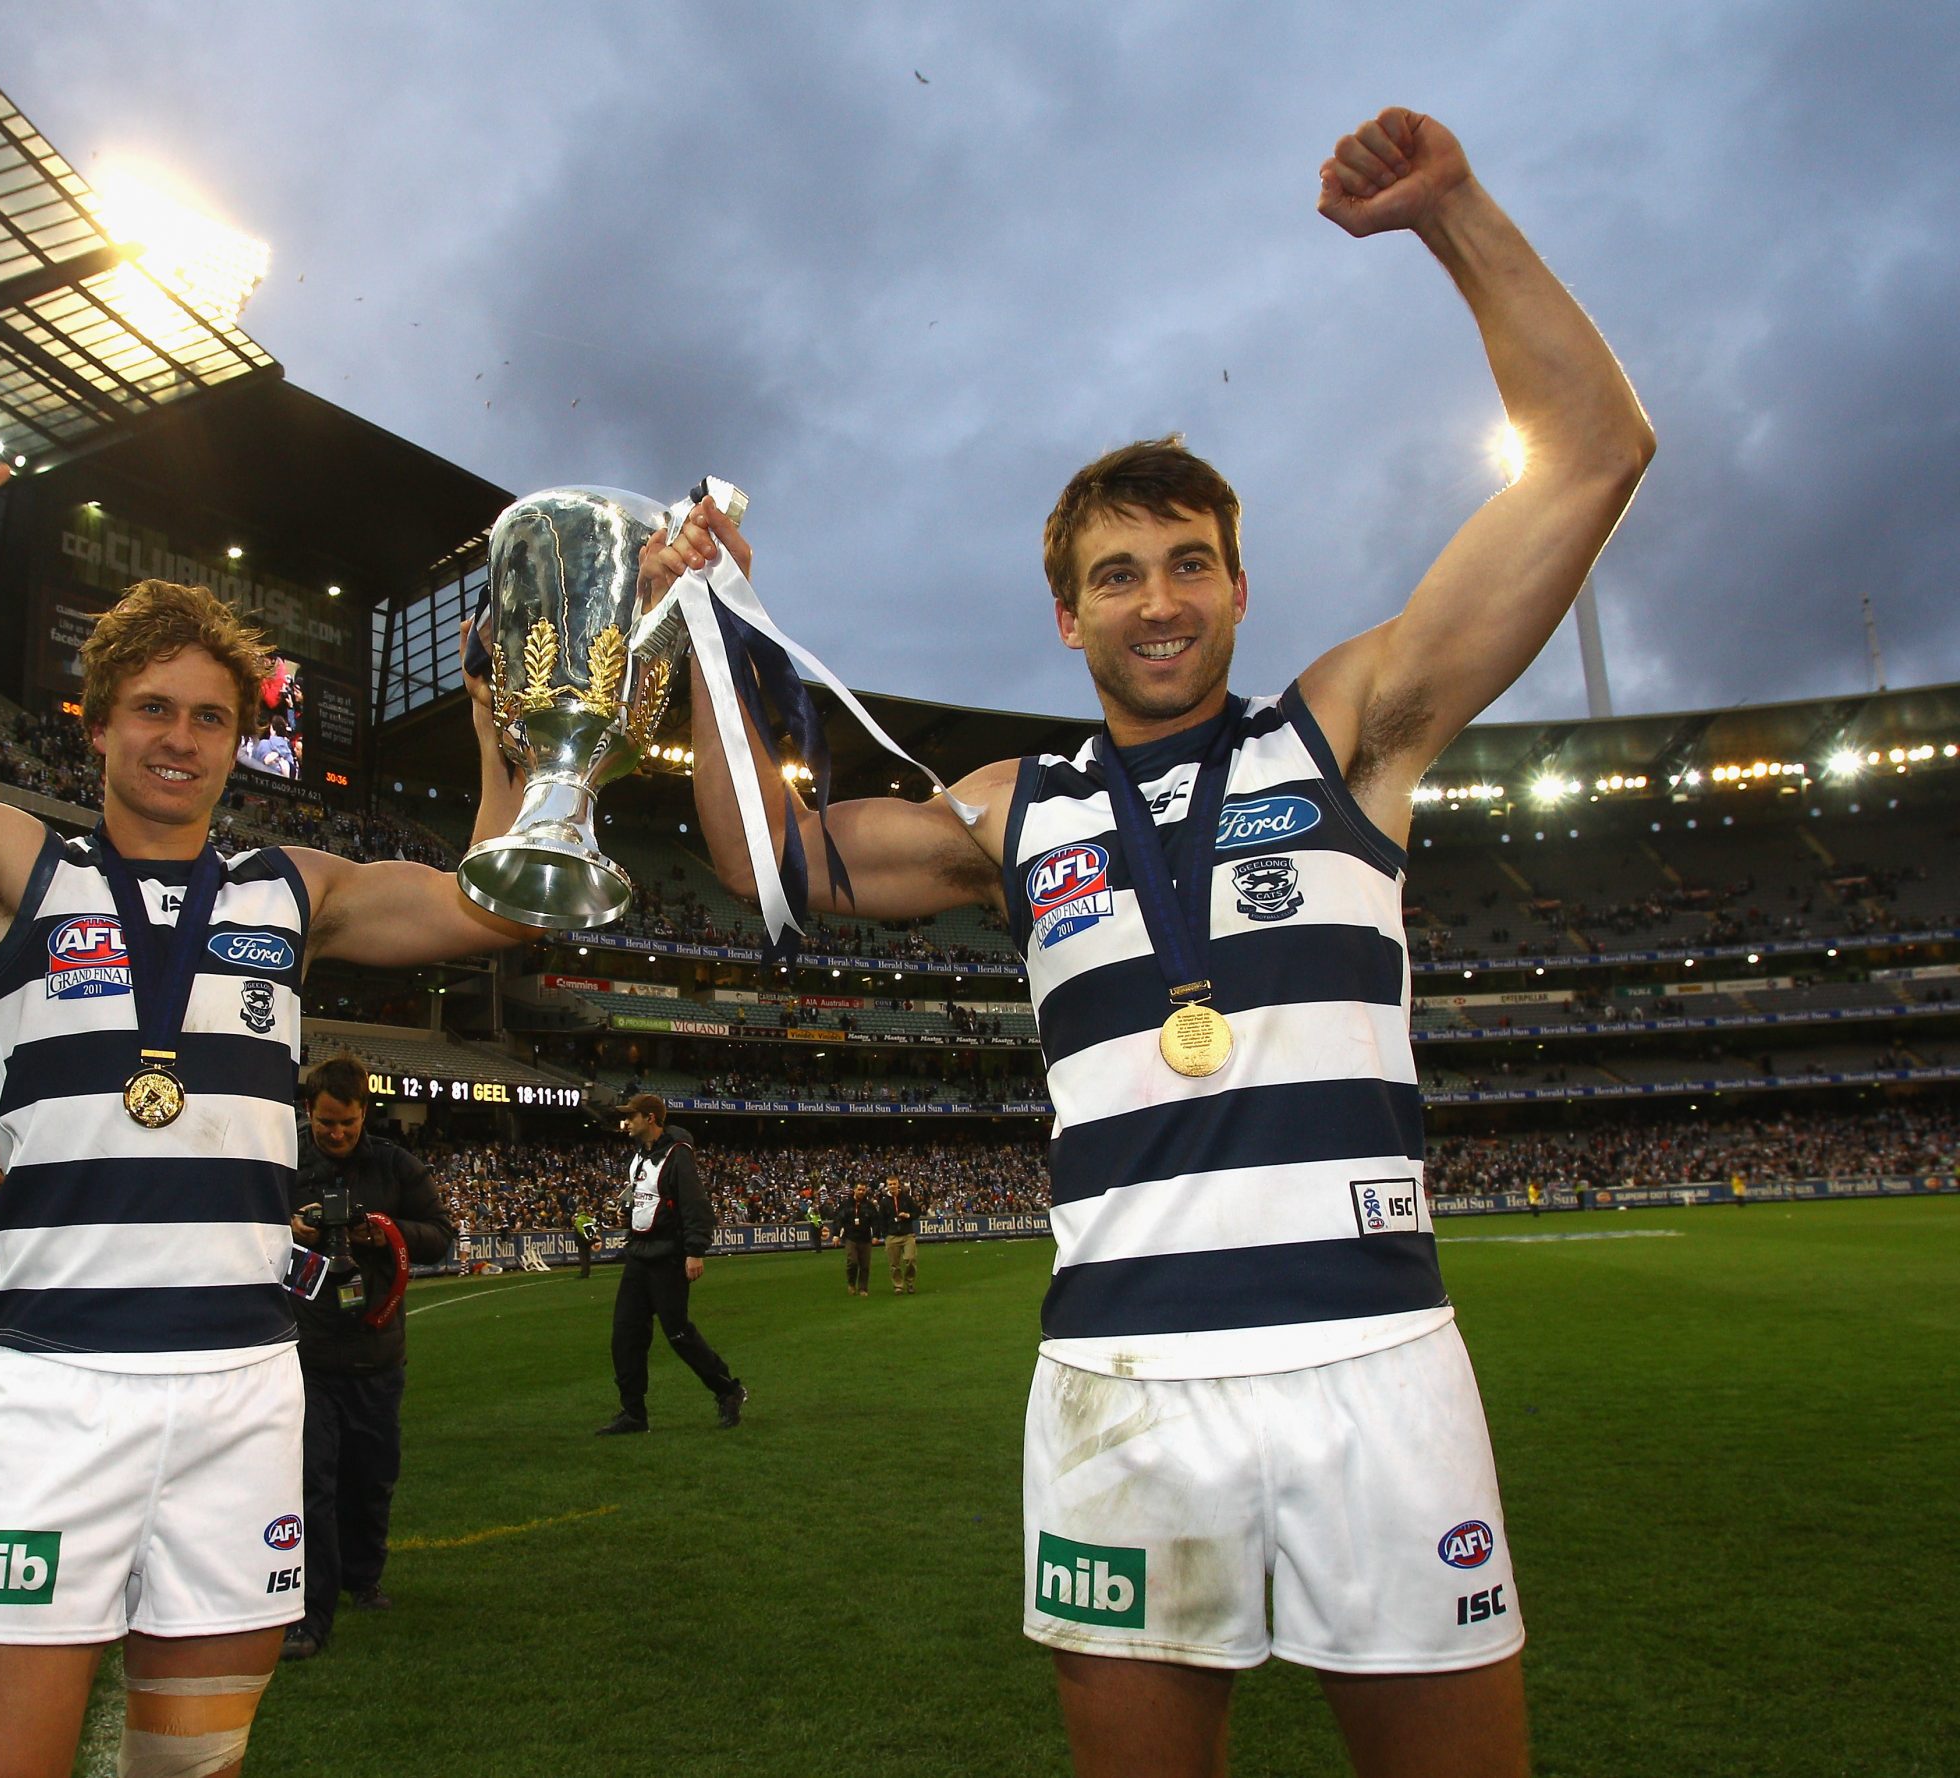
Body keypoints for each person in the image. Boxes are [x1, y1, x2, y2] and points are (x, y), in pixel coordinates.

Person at [681, 107, 1652, 1776]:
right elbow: (776, 862)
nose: (1156, 599)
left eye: (1188, 563)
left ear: (1238, 586)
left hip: (1372, 1362)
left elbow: (1591, 452)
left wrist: (1453, 213)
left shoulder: (1348, 730)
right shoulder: (1014, 808)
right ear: (1067, 612)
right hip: (1126, 1379)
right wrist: (707, 627)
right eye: (1116, 573)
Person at [0, 456, 535, 1778]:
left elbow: (498, 903)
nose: (178, 737)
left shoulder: (293, 890)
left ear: (240, 735)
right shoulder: (5, 862)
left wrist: (495, 722)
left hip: (246, 1390)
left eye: (207, 714)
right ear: (95, 718)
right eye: (150, 706)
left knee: (190, 1765)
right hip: (59, 1390)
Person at [280, 1055, 455, 1662]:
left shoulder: (394, 1165)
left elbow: (442, 1237)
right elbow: (239, 1226)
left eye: (347, 1124)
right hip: (306, 1351)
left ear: (364, 1114)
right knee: (313, 1483)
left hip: (377, 1349)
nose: (336, 1134)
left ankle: (363, 1576)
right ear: (310, 1110)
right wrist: (286, 1228)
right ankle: (309, 1613)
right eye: (326, 1123)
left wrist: (386, 1233)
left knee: (372, 1475)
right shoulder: (283, 1160)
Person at [597, 1095, 745, 1435]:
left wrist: (695, 1251)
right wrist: (627, 1216)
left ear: (650, 1118)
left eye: (631, 1116)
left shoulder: (678, 1155)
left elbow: (696, 1205)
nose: (626, 1122)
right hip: (640, 1255)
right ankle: (634, 1413)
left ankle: (728, 1390)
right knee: (625, 1334)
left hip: (668, 1256)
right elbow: (640, 1199)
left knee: (678, 1334)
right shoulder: (638, 1158)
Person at [835, 1181, 880, 1297]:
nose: (861, 1192)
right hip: (850, 1237)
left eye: (863, 1190)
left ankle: (863, 1288)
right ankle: (851, 1283)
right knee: (852, 1262)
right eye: (859, 1189)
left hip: (865, 1238)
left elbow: (875, 1221)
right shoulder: (845, 1204)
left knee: (865, 1265)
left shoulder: (869, 1205)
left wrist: (876, 1235)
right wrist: (836, 1234)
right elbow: (838, 1219)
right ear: (854, 1190)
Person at [881, 1177, 923, 1295]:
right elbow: (882, 1220)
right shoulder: (884, 1201)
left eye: (894, 1184)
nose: (892, 1186)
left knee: (910, 1259)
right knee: (894, 1264)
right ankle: (898, 1286)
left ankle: (910, 1282)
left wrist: (908, 1215)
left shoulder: (906, 1198)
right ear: (887, 1186)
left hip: (907, 1234)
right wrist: (886, 1235)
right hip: (892, 1236)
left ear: (898, 1184)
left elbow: (916, 1213)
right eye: (890, 1184)